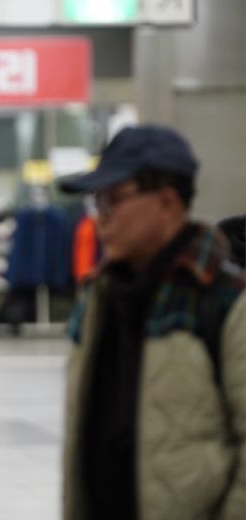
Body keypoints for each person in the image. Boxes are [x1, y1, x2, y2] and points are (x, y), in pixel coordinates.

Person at [59, 125, 245, 520]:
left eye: (113, 199)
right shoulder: (98, 298)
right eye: (97, 202)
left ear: (167, 203)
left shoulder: (226, 301)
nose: (101, 218)